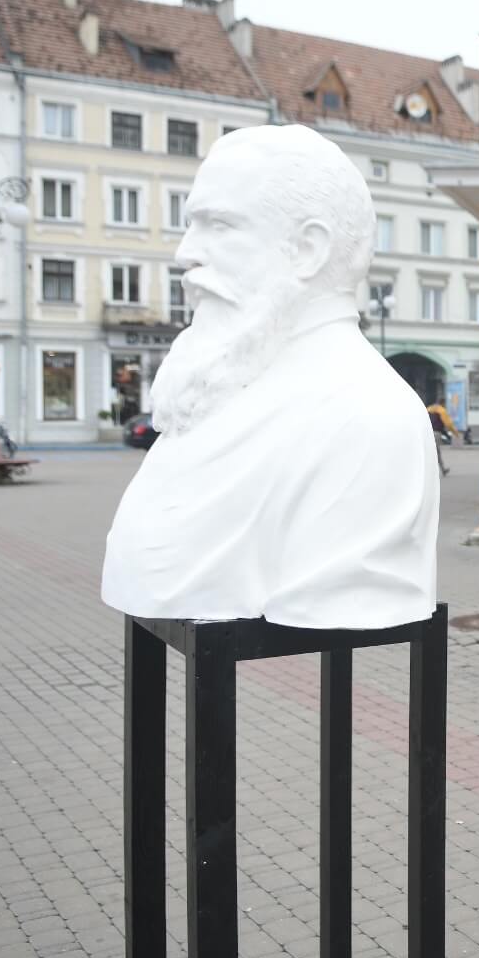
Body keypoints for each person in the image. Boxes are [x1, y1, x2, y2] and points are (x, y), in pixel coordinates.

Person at [101, 124, 440, 628]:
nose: (185, 253)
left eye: (219, 225)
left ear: (307, 250)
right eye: (191, 225)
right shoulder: (223, 389)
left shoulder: (369, 415)